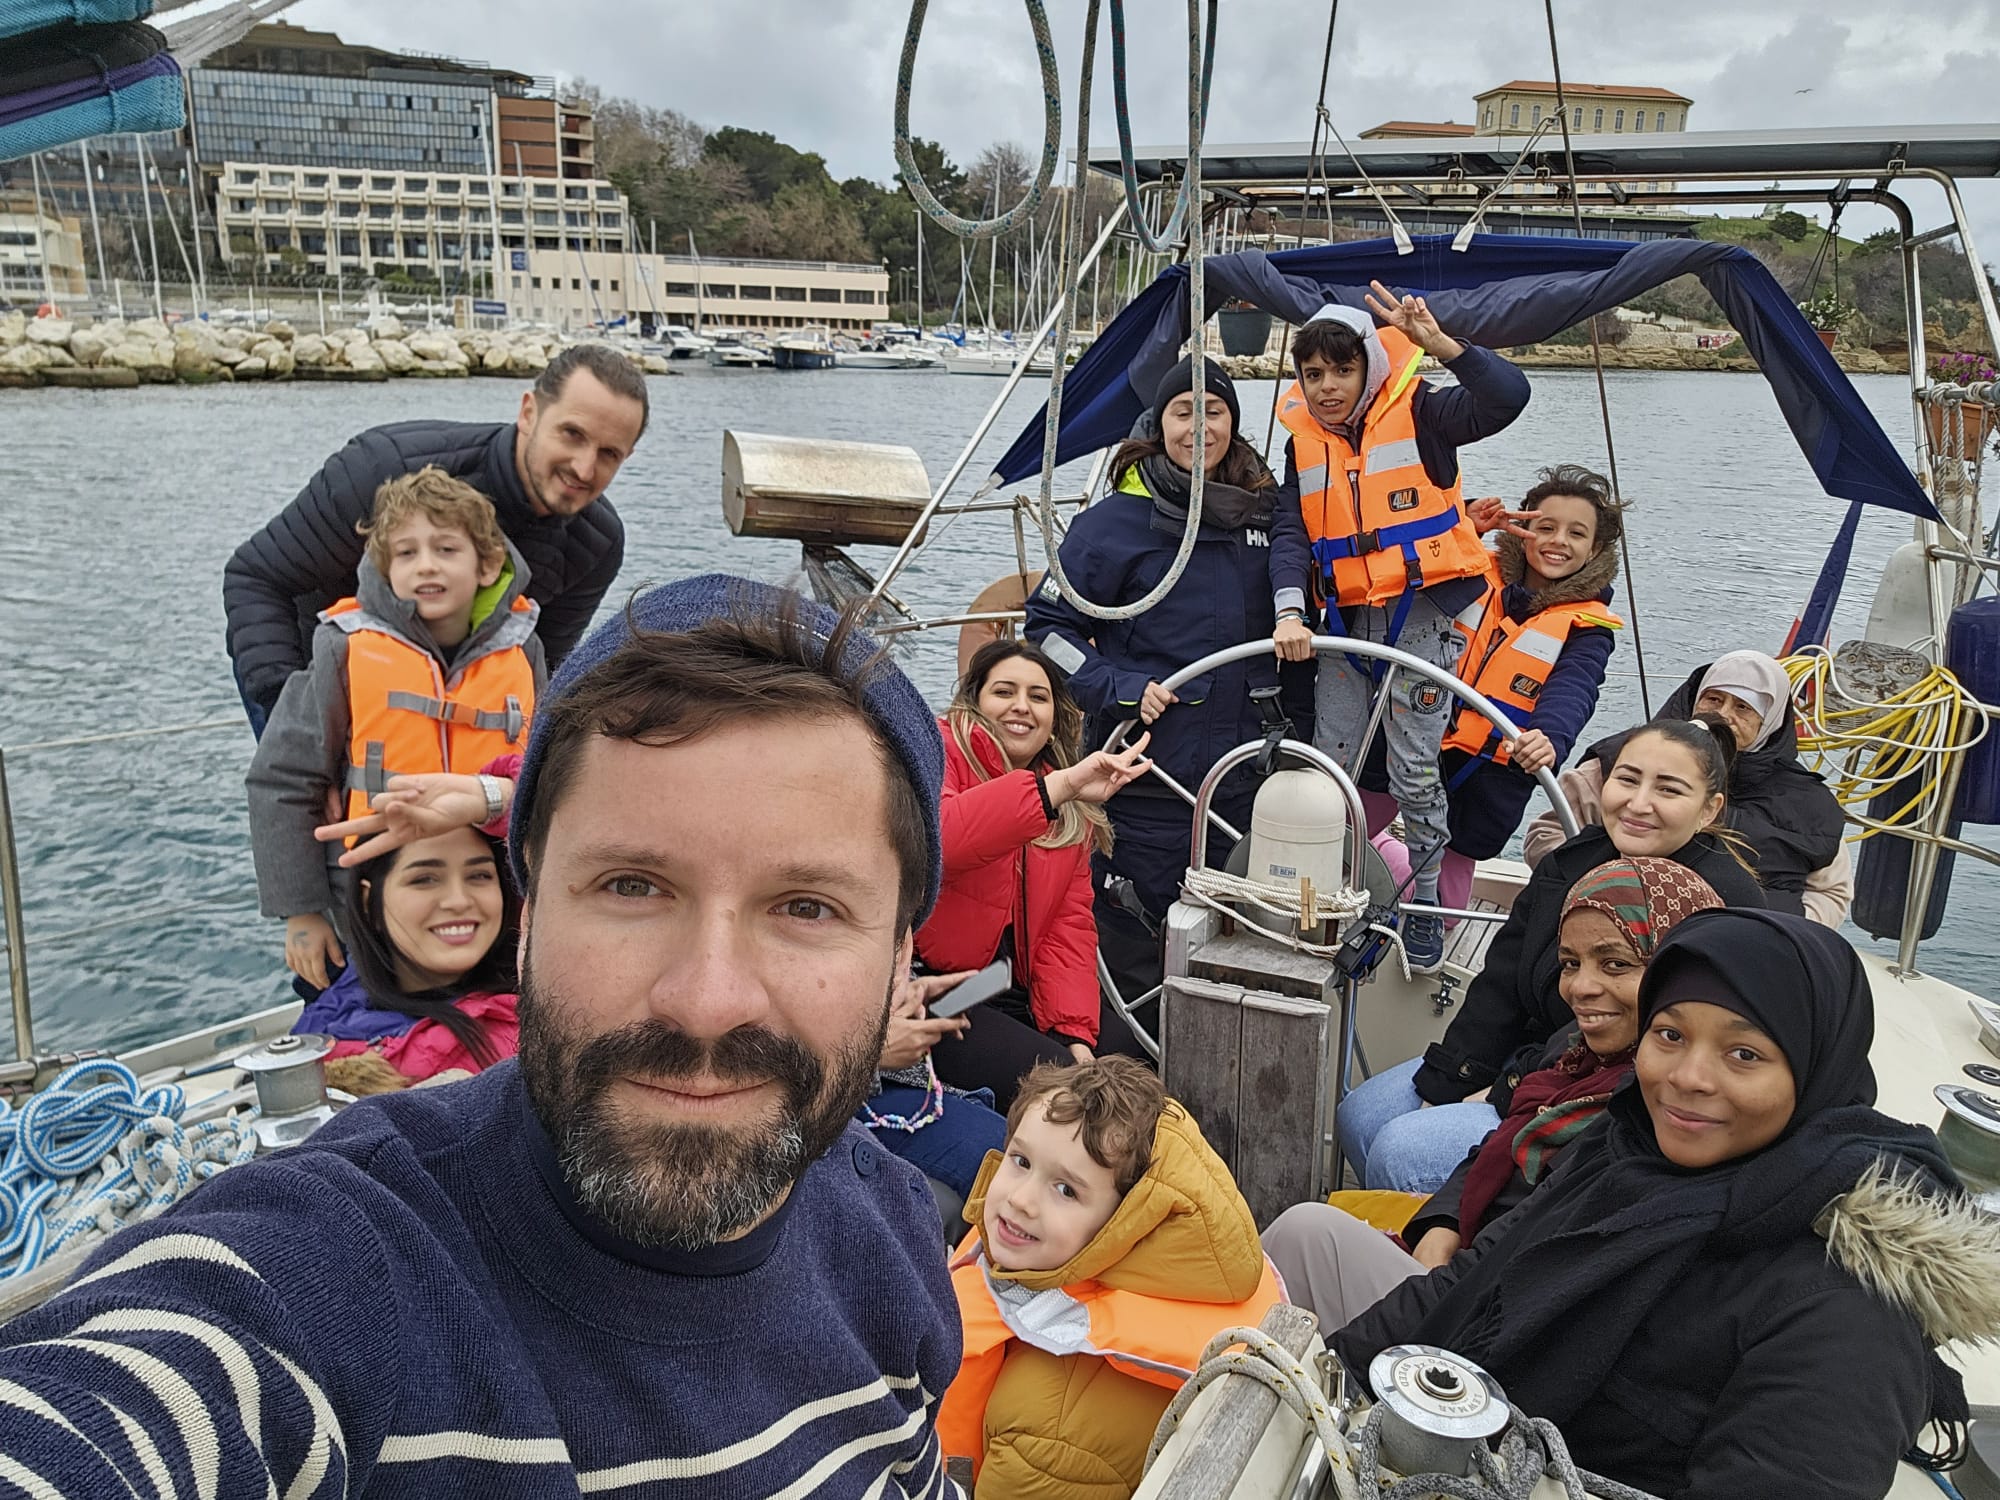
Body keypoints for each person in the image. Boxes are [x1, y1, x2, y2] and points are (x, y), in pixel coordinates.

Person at [0, 574, 964, 1497]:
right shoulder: (341, 1269)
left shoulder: (890, 1225)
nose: (706, 1002)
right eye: (631, 886)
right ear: (531, 908)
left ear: (899, 951)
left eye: (806, 906)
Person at [1330, 908, 2000, 1499]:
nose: (1687, 1079)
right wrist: (1326, 1379)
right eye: (1670, 1035)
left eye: (1743, 1053)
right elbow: (1473, 1280)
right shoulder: (1625, 1150)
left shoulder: (1850, 1303)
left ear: (1813, 1065)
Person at [1262, 857, 1721, 1318]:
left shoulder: (1646, 1106)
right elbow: (1494, 1148)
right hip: (1469, 1267)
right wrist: (1441, 1224)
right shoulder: (1577, 1051)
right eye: (1569, 963)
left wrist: (1420, 1299)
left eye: (1616, 964)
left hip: (1495, 1315)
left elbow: (1531, 1237)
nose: (1581, 987)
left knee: (1303, 1233)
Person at [1341, 715, 1767, 1193]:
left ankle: (1455, 1252)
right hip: (1525, 1058)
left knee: (1403, 1151)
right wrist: (1452, 1077)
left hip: (1607, 1100)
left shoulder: (1722, 907)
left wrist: (1505, 1091)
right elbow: (1501, 982)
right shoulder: (1573, 861)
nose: (1639, 803)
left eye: (1668, 790)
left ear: (1709, 809)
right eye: (1627, 779)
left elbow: (1639, 1032)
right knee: (1362, 1115)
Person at [1026, 355, 1309, 1013]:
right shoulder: (1111, 527)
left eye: (1214, 411)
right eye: (1185, 412)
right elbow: (1046, 629)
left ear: (1232, 424)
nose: (1199, 427)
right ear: (1161, 423)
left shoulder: (1270, 517)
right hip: (1147, 783)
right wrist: (1118, 685)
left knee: (1247, 945)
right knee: (1134, 945)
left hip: (1253, 785)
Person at [1269, 285, 1532, 974]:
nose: (1326, 387)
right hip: (1348, 618)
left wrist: (1448, 347)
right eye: (1313, 374)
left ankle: (1421, 914)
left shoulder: (1425, 414)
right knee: (1332, 765)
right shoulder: (1303, 447)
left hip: (1426, 607)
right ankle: (1327, 897)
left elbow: (1507, 398)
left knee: (1415, 769)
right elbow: (1292, 535)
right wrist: (1290, 608)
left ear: (1370, 370)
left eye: (1341, 370)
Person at [224, 342, 644, 735]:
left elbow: (538, 666)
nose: (585, 469)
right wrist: (294, 729)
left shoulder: (596, 542)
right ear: (529, 413)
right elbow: (256, 578)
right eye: (572, 434)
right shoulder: (387, 465)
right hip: (313, 677)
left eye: (609, 454)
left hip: (447, 707)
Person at [246, 468, 546, 989]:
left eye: (446, 549)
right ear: (385, 568)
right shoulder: (345, 648)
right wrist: (302, 913)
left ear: (487, 565)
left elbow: (548, 769)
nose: (426, 566)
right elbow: (281, 779)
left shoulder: (525, 651)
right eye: (407, 553)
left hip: (496, 897)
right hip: (369, 900)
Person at [938, 1057, 1282, 1498]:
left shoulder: (1051, 1437)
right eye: (1021, 1161)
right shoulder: (1051, 1250)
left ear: (1127, 1221)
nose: (1021, 1200)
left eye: (1066, 1190)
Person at [1362, 465, 1624, 913]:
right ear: (1521, 529)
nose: (1558, 541)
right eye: (1545, 527)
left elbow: (1575, 688)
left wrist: (1549, 737)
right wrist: (1464, 520)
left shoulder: (1589, 629)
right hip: (1409, 727)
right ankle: (1382, 852)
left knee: (1444, 902)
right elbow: (1410, 550)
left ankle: (1406, 900)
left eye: (1576, 534)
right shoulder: (1470, 570)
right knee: (1344, 830)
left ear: (1595, 549)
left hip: (1485, 763)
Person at [921, 640, 1154, 1107]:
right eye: (1004, 692)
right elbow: (941, 843)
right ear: (975, 700)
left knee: (1131, 1067)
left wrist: (1075, 1035)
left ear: (1054, 719)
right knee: (1064, 1087)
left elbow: (1066, 931)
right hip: (932, 991)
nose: (1021, 707)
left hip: (1006, 981)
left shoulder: (1067, 808)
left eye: (1038, 696)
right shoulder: (938, 750)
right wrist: (1056, 789)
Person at [1524, 650, 1851, 923]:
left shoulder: (1811, 803)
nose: (1724, 715)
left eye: (1743, 707)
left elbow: (1831, 891)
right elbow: (1545, 836)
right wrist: (1609, 887)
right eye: (1714, 699)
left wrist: (1784, 931)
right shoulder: (1619, 759)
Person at [300, 824, 521, 1087]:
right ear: (369, 901)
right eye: (424, 879)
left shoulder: (536, 1026)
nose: (459, 900)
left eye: (480, 875)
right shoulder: (330, 1009)